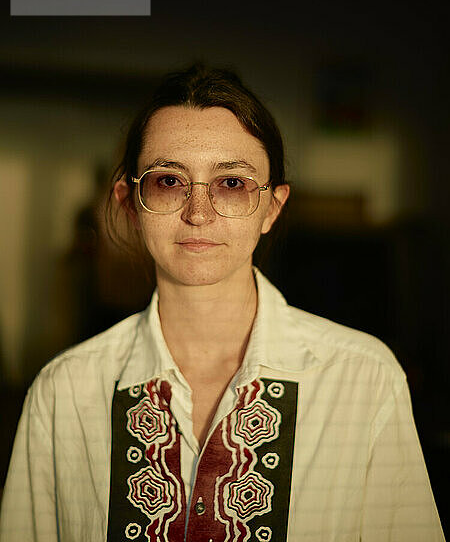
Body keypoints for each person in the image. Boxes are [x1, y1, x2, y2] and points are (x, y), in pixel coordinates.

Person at [0, 64, 445, 542]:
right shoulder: (63, 392)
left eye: (231, 183)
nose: (198, 213)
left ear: (271, 208)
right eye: (168, 181)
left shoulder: (362, 379)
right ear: (130, 204)